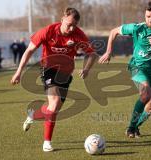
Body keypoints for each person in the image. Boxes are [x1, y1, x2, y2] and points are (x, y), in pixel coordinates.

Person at [11, 8, 98, 152]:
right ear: (62, 18)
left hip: (65, 74)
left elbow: (92, 54)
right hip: (48, 69)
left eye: (74, 26)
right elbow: (29, 51)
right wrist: (18, 72)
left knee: (53, 109)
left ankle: (34, 114)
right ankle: (47, 143)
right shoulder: (48, 31)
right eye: (69, 24)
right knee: (55, 101)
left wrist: (87, 68)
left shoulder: (78, 34)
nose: (71, 29)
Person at [99, 1, 151, 138]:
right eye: (147, 16)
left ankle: (135, 127)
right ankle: (130, 128)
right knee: (146, 94)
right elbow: (113, 31)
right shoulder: (137, 28)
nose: (150, 20)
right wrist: (109, 51)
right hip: (137, 67)